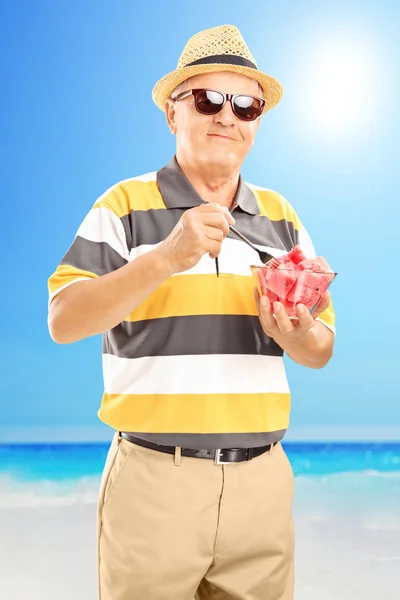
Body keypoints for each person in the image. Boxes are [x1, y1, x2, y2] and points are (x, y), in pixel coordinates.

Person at [47, 24, 335, 600]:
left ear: (257, 124)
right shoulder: (123, 206)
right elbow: (63, 320)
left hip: (263, 484)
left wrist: (298, 333)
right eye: (208, 99)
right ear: (172, 114)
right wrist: (165, 259)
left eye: (246, 105)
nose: (228, 117)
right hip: (156, 481)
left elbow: (321, 345)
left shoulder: (281, 217)